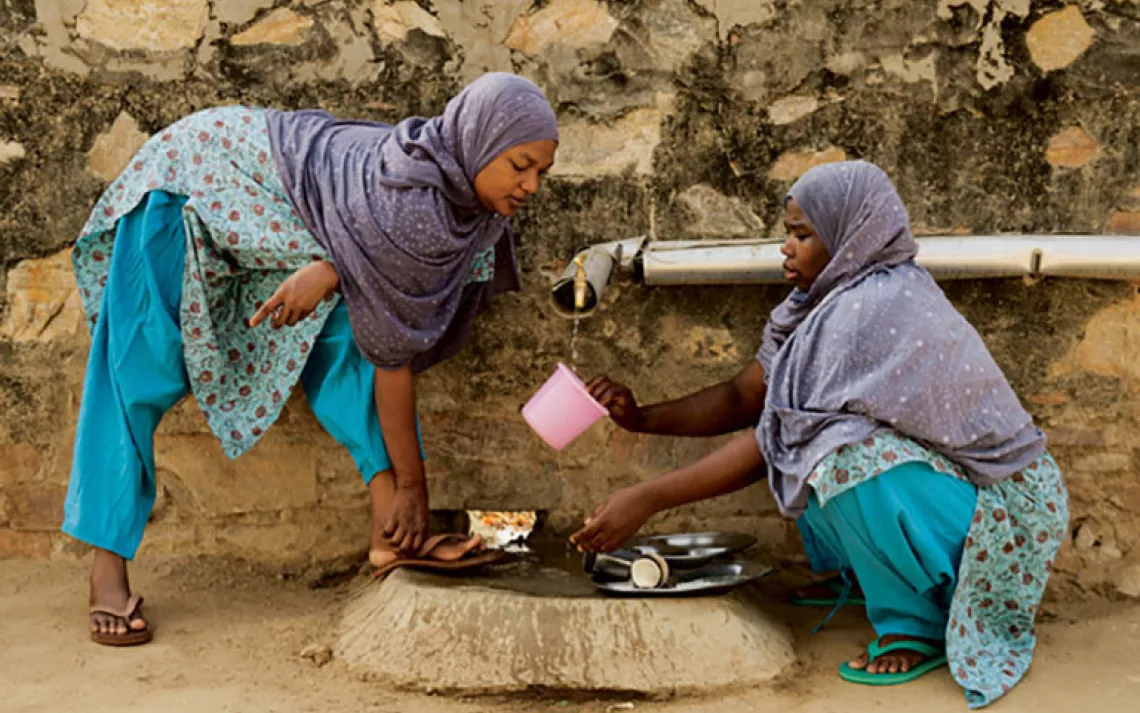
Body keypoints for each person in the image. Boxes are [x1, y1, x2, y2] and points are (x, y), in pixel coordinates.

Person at [63, 73, 559, 646]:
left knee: (357, 328)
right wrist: (414, 487)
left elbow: (386, 330)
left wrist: (331, 274)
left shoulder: (470, 202)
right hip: (198, 177)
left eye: (541, 172)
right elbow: (395, 354)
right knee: (138, 365)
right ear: (479, 138)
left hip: (287, 215)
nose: (531, 186)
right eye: (520, 164)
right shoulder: (413, 206)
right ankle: (107, 565)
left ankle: (391, 536)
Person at [571, 161, 1068, 707]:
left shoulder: (872, 307)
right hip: (957, 494)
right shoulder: (817, 305)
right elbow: (746, 397)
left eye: (803, 234)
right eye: (788, 232)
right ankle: (870, 575)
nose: (786, 247)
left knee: (838, 453)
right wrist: (642, 418)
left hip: (1005, 515)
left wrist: (649, 497)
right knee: (821, 442)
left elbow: (770, 441)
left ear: (853, 237)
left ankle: (915, 623)